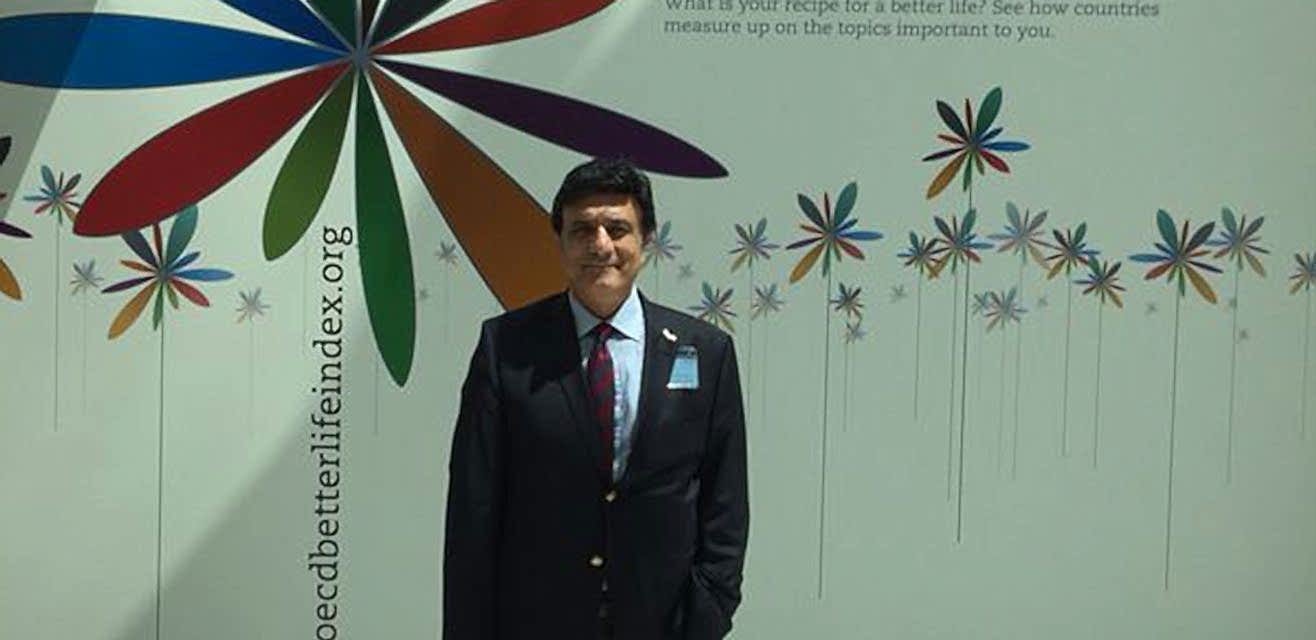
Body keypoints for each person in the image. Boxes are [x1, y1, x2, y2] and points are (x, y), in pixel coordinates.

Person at [444, 158, 749, 640]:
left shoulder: (706, 353)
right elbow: (473, 511)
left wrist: (705, 616)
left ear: (646, 240)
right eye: (582, 229)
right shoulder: (506, 349)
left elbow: (725, 505)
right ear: (560, 243)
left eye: (617, 229)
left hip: (664, 625)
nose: (600, 245)